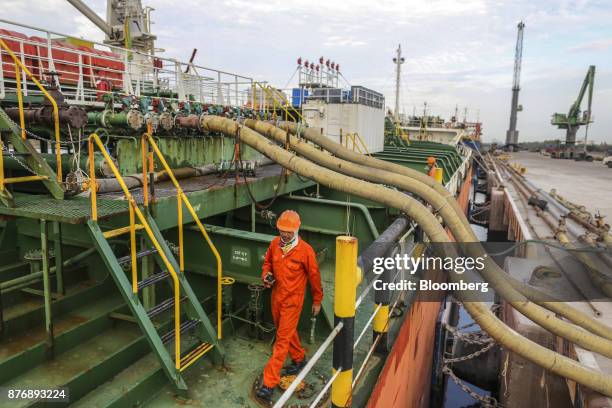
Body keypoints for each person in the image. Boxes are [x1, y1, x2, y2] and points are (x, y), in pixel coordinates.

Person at [256, 210, 323, 402]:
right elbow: (267, 263)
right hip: (277, 297)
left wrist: (317, 300)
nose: (284, 234)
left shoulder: (305, 251)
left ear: (296, 229)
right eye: (282, 230)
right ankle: (299, 358)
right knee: (285, 330)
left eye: (288, 231)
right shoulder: (274, 245)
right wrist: (266, 276)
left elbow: (315, 277)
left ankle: (269, 384)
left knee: (282, 340)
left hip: (293, 301)